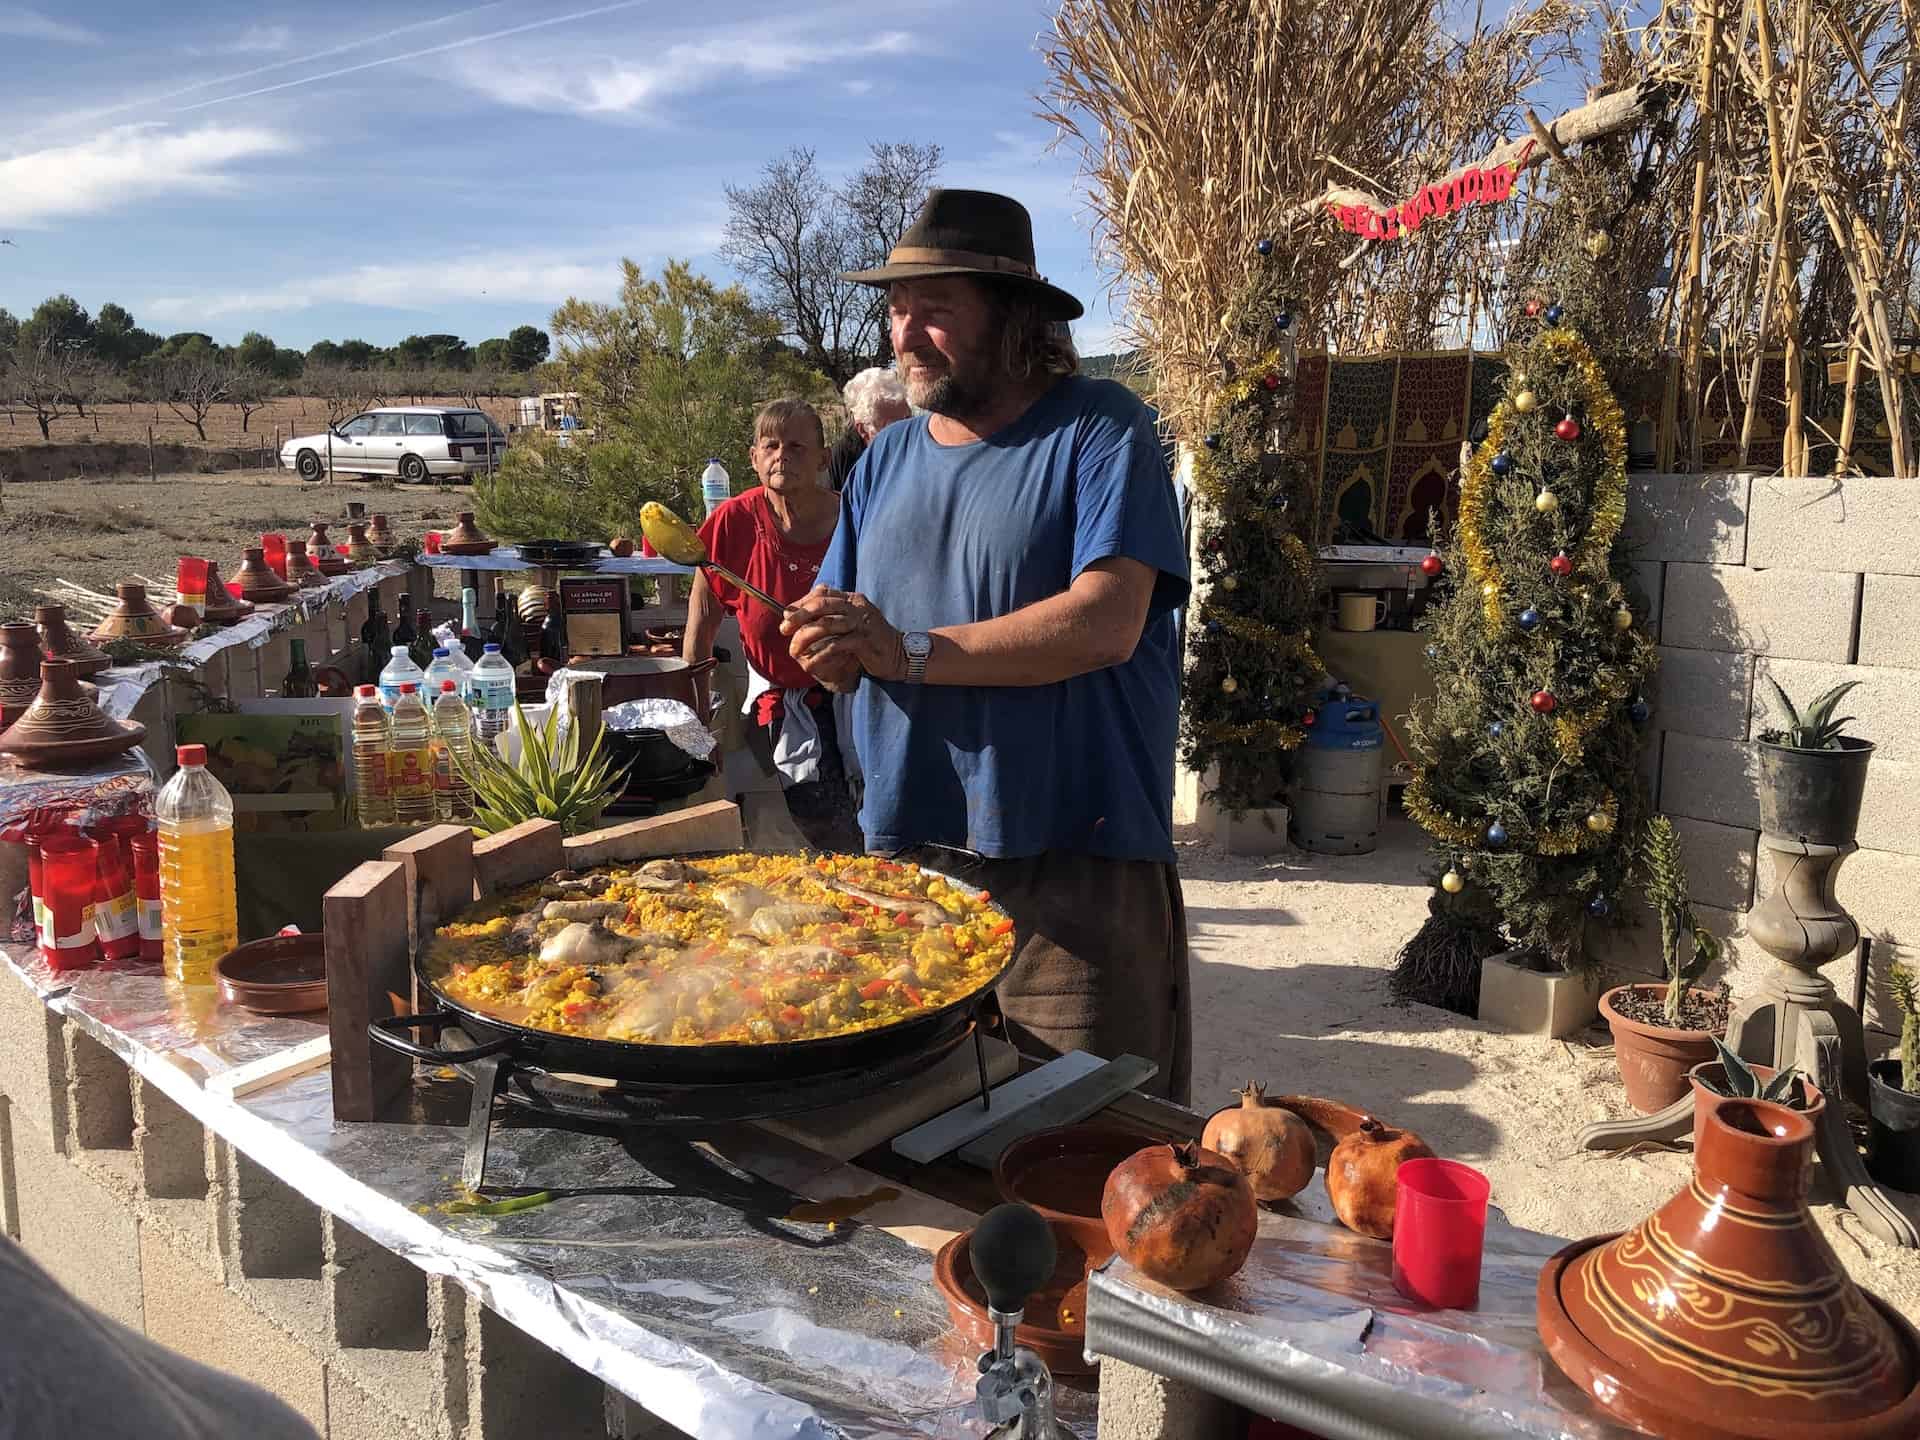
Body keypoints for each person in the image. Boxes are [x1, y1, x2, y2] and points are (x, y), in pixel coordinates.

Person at [779, 189, 1193, 1102]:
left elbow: (1106, 621)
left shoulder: (1100, 428)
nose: (906, 332)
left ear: (1013, 320)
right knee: (913, 1147)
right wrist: (829, 639)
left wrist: (907, 652)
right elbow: (846, 617)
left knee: (1089, 1147)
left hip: (1072, 871)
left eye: (936, 308)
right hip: (908, 863)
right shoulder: (882, 460)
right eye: (895, 308)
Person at [683, 398, 862, 854]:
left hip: (864, 698)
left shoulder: (856, 519)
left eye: (798, 446)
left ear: (823, 458)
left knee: (870, 830)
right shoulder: (731, 523)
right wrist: (695, 720)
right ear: (755, 458)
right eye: (772, 445)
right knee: (824, 833)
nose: (783, 456)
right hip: (785, 707)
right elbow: (701, 627)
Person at [827, 367, 911, 492]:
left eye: (909, 420)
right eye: (893, 428)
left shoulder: (920, 448)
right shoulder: (844, 459)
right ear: (863, 430)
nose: (906, 433)